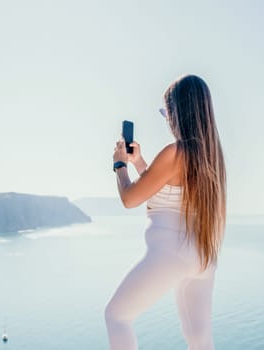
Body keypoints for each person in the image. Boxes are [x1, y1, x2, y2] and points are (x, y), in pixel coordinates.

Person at [106, 74, 227, 350]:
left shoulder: (176, 152)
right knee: (199, 339)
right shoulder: (212, 158)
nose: (167, 119)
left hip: (171, 253)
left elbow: (130, 198)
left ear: (178, 112)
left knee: (117, 317)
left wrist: (119, 165)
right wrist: (139, 164)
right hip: (203, 256)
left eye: (166, 112)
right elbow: (169, 191)